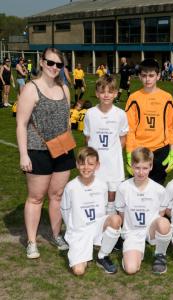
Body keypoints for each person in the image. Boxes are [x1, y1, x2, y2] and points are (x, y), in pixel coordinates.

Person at [16, 47, 76, 259]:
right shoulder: (31, 89)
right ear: (41, 62)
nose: (54, 68)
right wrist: (24, 155)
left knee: (57, 195)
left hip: (63, 150)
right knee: (36, 198)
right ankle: (32, 242)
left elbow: (67, 121)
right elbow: (21, 124)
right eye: (50, 63)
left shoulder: (64, 89)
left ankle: (56, 234)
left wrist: (70, 144)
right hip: (38, 151)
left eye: (58, 65)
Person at [61, 147, 122, 275]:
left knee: (116, 219)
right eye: (82, 163)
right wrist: (71, 232)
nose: (86, 167)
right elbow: (65, 211)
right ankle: (82, 251)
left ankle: (102, 256)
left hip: (97, 226)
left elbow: (106, 208)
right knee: (78, 271)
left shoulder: (102, 185)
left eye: (91, 164)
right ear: (77, 164)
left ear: (97, 166)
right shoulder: (71, 187)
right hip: (80, 231)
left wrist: (104, 226)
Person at [115, 147, 172, 275]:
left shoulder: (159, 190)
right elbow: (121, 214)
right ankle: (133, 252)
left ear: (151, 167)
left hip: (150, 230)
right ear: (131, 166)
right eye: (137, 168)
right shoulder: (123, 188)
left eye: (145, 168)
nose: (141, 172)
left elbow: (161, 214)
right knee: (130, 269)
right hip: (132, 232)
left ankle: (160, 254)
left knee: (163, 223)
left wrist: (154, 231)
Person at [125, 58, 173, 185]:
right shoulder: (133, 98)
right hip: (139, 149)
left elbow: (171, 126)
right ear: (139, 76)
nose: (147, 79)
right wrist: (129, 152)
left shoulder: (167, 98)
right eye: (144, 75)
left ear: (158, 76)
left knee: (158, 190)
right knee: (137, 189)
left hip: (161, 150)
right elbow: (130, 128)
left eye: (151, 75)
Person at [84, 75, 128, 214]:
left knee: (112, 189)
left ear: (115, 93)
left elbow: (123, 138)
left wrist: (112, 152)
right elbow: (88, 138)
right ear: (97, 93)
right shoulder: (90, 114)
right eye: (102, 92)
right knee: (96, 190)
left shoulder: (120, 114)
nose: (106, 95)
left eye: (110, 92)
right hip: (96, 161)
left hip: (113, 160)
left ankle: (111, 215)